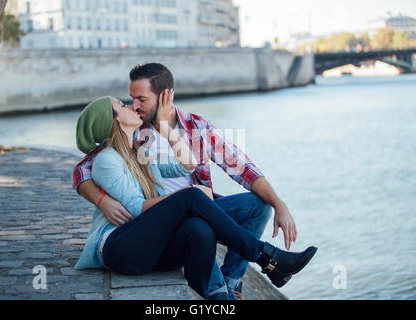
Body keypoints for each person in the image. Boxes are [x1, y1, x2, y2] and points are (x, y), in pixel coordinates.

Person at [72, 63, 307, 300]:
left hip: (193, 214)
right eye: (130, 100)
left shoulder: (196, 128)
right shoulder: (131, 133)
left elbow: (237, 167)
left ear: (165, 96)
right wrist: (101, 199)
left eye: (141, 99)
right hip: (158, 221)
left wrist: (280, 204)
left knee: (257, 206)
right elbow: (84, 168)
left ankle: (231, 284)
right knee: (194, 206)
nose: (134, 106)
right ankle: (265, 259)